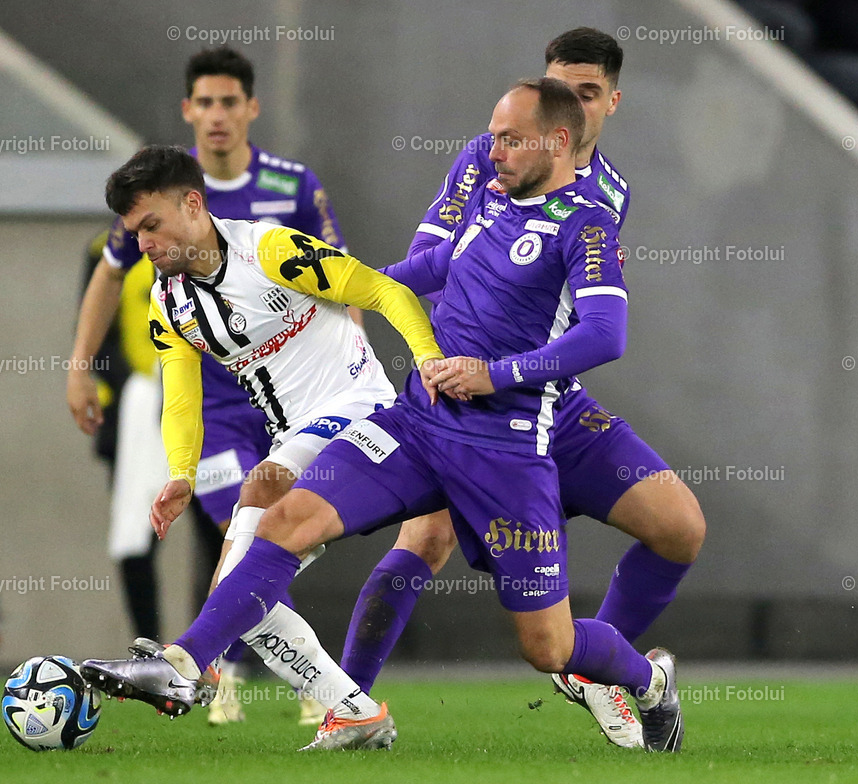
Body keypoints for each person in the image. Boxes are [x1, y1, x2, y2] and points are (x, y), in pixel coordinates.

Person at [82, 78, 684, 753]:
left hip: (506, 445)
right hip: (419, 423)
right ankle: (192, 665)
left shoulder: (588, 220)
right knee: (281, 517)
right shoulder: (487, 195)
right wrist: (344, 289)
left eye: (509, 138)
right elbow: (418, 272)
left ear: (559, 141)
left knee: (550, 646)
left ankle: (649, 680)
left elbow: (608, 335)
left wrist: (492, 372)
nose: (493, 149)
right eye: (492, 135)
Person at [340, 27, 704, 750]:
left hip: (548, 399)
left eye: (588, 92)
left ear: (611, 103)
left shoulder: (609, 194)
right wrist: (399, 321)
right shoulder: (488, 158)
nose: (570, 101)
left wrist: (517, 372)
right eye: (557, 86)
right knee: (428, 532)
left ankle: (596, 667)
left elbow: (586, 316)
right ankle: (346, 702)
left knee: (680, 526)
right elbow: (432, 262)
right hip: (460, 398)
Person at [84, 143, 443, 750]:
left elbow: (383, 291)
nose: (143, 243)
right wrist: (180, 472)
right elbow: (181, 397)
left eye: (152, 225)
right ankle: (354, 712)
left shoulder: (270, 249)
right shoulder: (168, 301)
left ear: (193, 204)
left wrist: (428, 359)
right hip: (296, 434)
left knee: (262, 493)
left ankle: (181, 664)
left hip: (363, 411)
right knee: (241, 597)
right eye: (134, 231)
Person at [66, 46, 348, 726]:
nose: (217, 116)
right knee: (245, 529)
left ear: (251, 108)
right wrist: (80, 364)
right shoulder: (159, 196)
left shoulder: (293, 185)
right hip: (217, 404)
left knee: (282, 535)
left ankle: (225, 665)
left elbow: (339, 277)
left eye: (230, 102)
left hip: (291, 398)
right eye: (205, 103)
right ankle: (282, 680)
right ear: (187, 110)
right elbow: (109, 271)